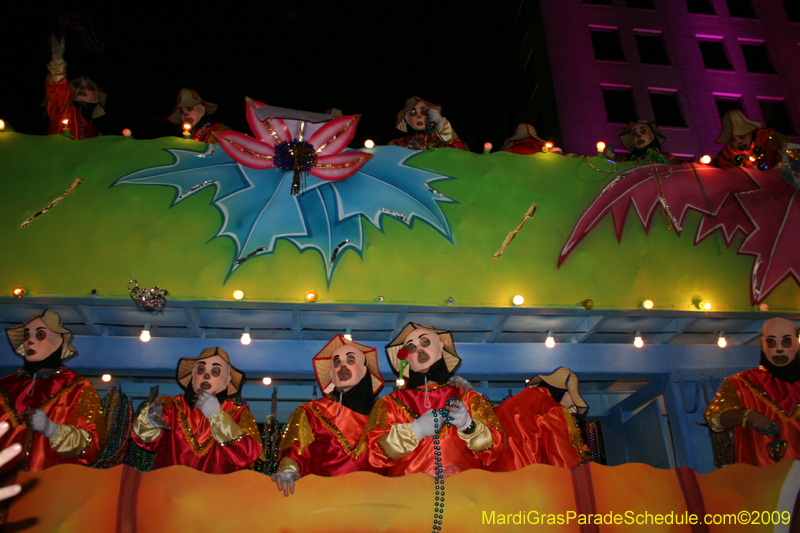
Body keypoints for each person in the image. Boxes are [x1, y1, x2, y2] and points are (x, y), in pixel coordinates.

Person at [366, 323, 503, 477]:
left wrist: (468, 426)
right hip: (407, 494)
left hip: (462, 494)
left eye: (426, 342)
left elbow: (494, 451)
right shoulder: (389, 403)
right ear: (406, 359)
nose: (419, 350)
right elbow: (375, 455)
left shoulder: (468, 397)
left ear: (440, 347)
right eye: (411, 347)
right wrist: (414, 430)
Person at [272, 335, 386, 496]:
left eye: (351, 360)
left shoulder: (384, 413)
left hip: (375, 503)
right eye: (337, 362)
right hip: (323, 502)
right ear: (332, 374)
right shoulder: (310, 412)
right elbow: (294, 452)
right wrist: (288, 470)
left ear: (364, 371)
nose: (342, 366)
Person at [0, 311, 106, 472]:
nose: (30, 341)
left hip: (50, 487)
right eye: (27, 335)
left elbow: (91, 448)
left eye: (40, 335)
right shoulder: (4, 386)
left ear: (57, 342)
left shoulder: (78, 387)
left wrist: (52, 430)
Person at [131, 347, 264, 473]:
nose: (206, 375)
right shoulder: (171, 405)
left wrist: (217, 415)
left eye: (215, 372)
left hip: (216, 493)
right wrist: (149, 422)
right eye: (201, 369)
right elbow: (145, 439)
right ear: (193, 375)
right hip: (170, 492)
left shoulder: (238, 414)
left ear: (226, 381)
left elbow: (249, 455)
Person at [705, 317, 800, 465]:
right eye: (771, 342)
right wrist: (746, 415)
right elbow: (714, 419)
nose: (779, 348)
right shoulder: (740, 383)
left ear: (796, 342)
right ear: (763, 344)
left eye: (786, 341)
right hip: (763, 476)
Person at [486, 367, 585, 472]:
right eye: (572, 397)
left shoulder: (504, 406)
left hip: (495, 480)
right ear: (566, 393)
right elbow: (563, 460)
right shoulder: (551, 408)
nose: (572, 404)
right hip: (531, 479)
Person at [44, 35, 106, 139]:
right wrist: (57, 62)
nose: (82, 88)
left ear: (96, 99)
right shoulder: (64, 112)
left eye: (89, 87)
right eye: (78, 86)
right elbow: (58, 96)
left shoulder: (95, 131)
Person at [711, 110, 787, 170]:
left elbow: (789, 157)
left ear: (750, 133)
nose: (739, 142)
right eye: (733, 140)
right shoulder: (725, 157)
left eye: (742, 137)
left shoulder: (767, 138)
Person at [390, 97, 469, 151]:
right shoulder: (397, 144)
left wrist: (442, 124)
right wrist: (407, 152)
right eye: (413, 112)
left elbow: (461, 155)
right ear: (406, 118)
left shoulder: (441, 142)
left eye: (424, 112)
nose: (419, 116)